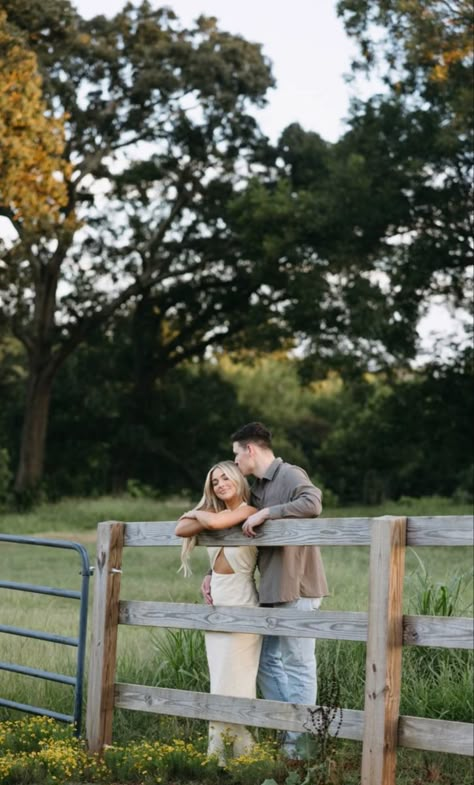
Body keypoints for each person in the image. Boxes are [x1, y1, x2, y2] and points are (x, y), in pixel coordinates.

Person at [201, 422, 328, 759]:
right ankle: (291, 734)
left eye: (236, 455)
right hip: (271, 589)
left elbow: (313, 503)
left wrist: (271, 513)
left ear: (250, 450)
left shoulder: (289, 475)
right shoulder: (256, 488)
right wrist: (211, 571)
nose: (235, 462)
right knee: (269, 661)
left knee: (298, 662)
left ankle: (303, 745)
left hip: (298, 586)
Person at [175, 460, 261, 766]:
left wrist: (200, 513)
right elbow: (180, 528)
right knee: (219, 679)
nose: (220, 484)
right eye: (214, 482)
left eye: (226, 478)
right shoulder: (214, 513)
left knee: (235, 680)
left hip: (241, 600)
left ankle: (234, 754)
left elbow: (210, 525)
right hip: (216, 602)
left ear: (238, 479)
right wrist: (203, 513)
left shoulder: (247, 511)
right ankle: (226, 754)